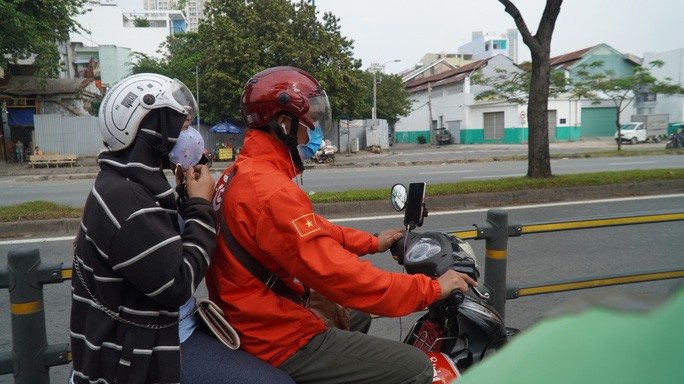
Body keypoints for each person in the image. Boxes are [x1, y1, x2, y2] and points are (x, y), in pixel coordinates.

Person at [206, 66, 476, 384]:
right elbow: (337, 275)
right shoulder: (272, 190)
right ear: (283, 124)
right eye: (311, 123)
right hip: (274, 335)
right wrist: (430, 288)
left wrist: (373, 242)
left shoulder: (239, 173)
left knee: (355, 314)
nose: (316, 131)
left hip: (249, 311)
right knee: (415, 367)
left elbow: (311, 231)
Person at [70, 73, 293, 384]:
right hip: (146, 349)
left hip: (167, 329)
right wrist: (201, 207)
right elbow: (177, 284)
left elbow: (158, 243)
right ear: (151, 128)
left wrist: (185, 199)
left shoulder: (130, 183)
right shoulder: (127, 198)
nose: (190, 136)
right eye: (184, 127)